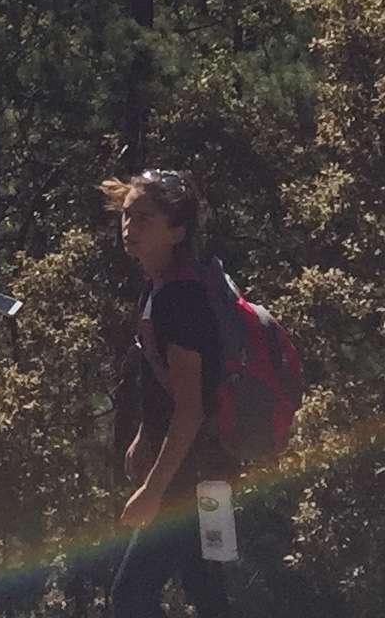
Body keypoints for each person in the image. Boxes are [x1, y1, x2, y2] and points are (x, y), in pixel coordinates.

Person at [104, 167, 232, 618]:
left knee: (129, 597)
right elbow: (166, 384)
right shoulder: (159, 288)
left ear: (177, 232)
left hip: (193, 478)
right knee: (208, 591)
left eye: (144, 219)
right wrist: (145, 432)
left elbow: (191, 410)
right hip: (212, 473)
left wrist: (153, 492)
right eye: (126, 215)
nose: (129, 227)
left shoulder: (182, 302)